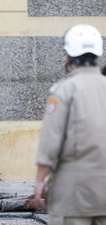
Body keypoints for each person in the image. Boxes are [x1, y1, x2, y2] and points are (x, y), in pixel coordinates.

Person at [34, 24, 106, 225]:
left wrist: (40, 180)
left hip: (74, 193)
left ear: (68, 55)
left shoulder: (64, 91)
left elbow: (51, 141)